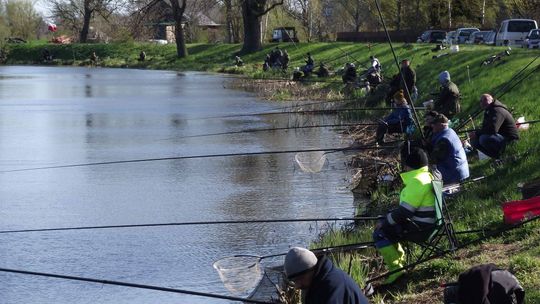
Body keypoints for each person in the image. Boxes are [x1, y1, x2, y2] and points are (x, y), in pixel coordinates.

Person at [372, 144, 436, 284]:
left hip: (420, 228)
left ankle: (396, 269)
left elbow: (404, 212)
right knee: (388, 222)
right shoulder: (427, 176)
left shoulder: (416, 181)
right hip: (428, 224)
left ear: (411, 167)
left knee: (379, 233)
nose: (404, 168)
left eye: (406, 165)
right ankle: (399, 261)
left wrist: (384, 222)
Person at [284, 247, 370, 304]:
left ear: (312, 269)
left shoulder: (332, 288)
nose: (297, 285)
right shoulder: (318, 281)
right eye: (294, 281)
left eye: (300, 278)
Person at [469, 94, 519, 159]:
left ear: (491, 100)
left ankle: (505, 154)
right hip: (500, 136)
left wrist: (477, 133)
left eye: (485, 100)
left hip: (510, 139)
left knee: (483, 139)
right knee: (474, 141)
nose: (482, 103)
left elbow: (493, 129)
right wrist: (475, 133)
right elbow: (485, 128)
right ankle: (498, 157)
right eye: (481, 101)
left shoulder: (497, 110)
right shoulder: (488, 111)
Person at [427, 113, 469, 185]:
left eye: (434, 124)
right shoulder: (450, 131)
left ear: (442, 125)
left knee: (429, 167)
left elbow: (434, 158)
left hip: (455, 173)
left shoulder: (444, 139)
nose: (432, 126)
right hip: (461, 170)